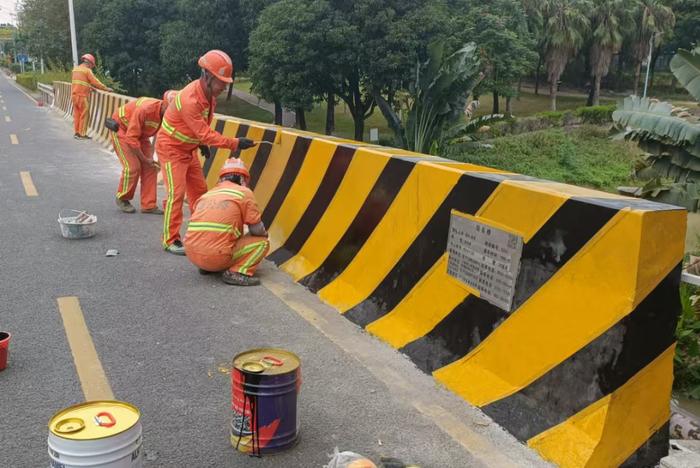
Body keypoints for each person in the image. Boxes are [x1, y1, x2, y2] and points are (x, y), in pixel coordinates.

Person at [156, 49, 256, 255]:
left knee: (199, 193)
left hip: (189, 148)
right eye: (222, 82)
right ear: (208, 76)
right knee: (176, 194)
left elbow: (198, 128)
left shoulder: (209, 95)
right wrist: (235, 143)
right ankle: (170, 239)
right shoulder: (190, 99)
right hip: (171, 149)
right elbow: (206, 133)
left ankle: (199, 232)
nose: (224, 86)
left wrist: (199, 144)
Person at [183, 159, 270, 286]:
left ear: (222, 178)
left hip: (192, 254)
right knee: (262, 243)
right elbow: (257, 230)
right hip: (216, 257)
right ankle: (236, 273)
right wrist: (262, 235)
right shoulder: (244, 193)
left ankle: (207, 267)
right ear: (243, 179)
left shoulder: (207, 195)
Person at [109, 90, 177, 214]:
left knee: (151, 167)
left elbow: (163, 135)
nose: (173, 114)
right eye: (171, 110)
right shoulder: (145, 110)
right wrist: (145, 159)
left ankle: (148, 205)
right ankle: (122, 198)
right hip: (122, 130)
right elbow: (131, 138)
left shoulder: (170, 116)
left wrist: (153, 157)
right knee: (133, 167)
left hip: (141, 135)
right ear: (164, 104)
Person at [71, 54, 112, 139]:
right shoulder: (87, 71)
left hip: (74, 96)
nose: (91, 67)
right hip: (82, 96)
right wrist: (106, 89)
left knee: (77, 115)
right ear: (89, 63)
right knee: (85, 115)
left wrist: (89, 88)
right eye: (92, 65)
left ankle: (77, 133)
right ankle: (82, 134)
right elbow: (95, 82)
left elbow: (80, 82)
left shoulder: (75, 69)